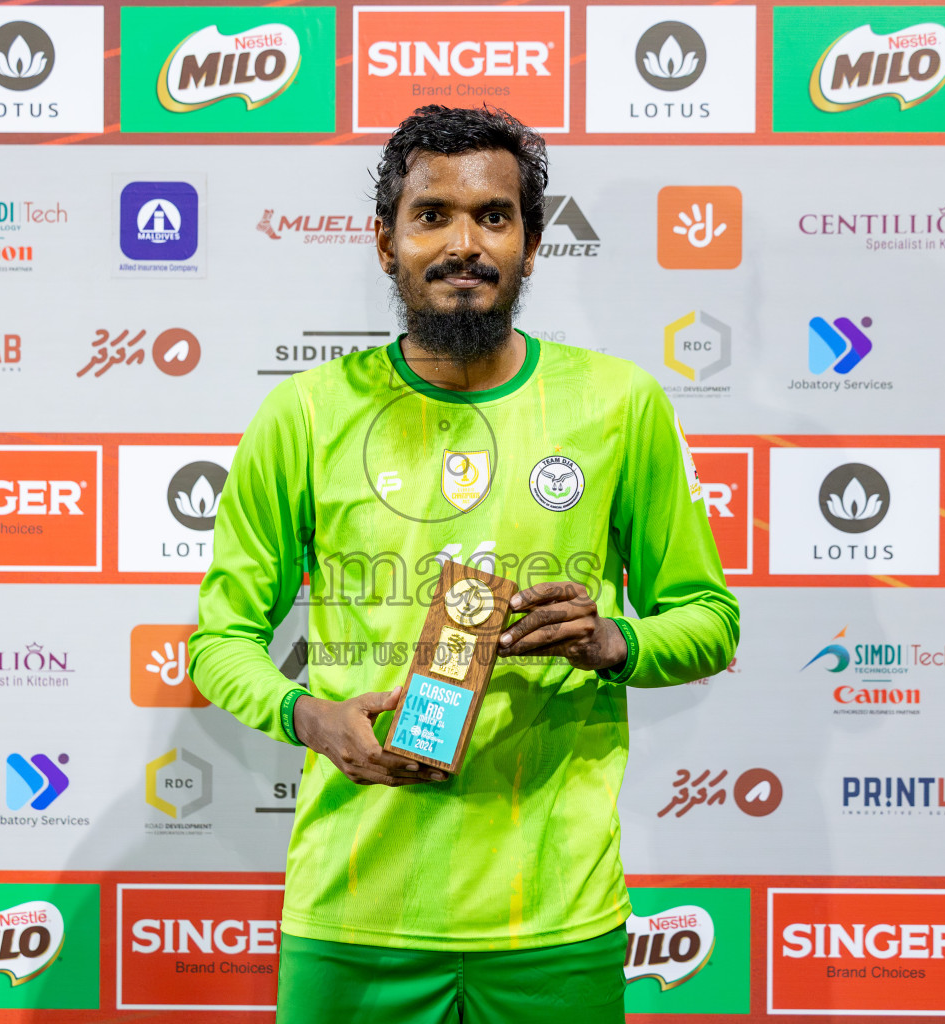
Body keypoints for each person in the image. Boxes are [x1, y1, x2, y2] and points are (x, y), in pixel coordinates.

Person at [187, 104, 739, 1024]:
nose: (464, 244)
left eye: (494, 216)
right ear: (385, 242)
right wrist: (306, 714)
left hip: (555, 919)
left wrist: (613, 640)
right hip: (355, 909)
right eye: (431, 214)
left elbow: (709, 620)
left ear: (530, 244)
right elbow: (221, 638)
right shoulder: (307, 414)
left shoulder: (617, 404)